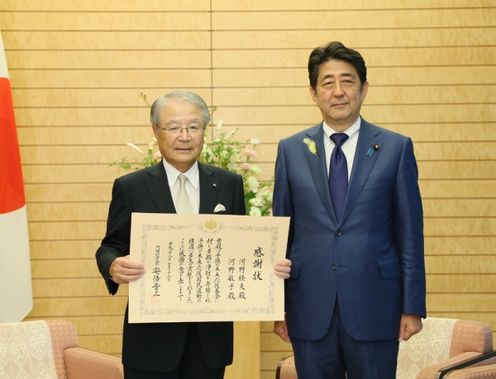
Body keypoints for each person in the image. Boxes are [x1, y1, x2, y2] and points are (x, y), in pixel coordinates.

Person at [96, 90, 288, 379]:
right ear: (155, 131)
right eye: (173, 127)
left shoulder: (228, 184)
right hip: (151, 342)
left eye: (193, 127)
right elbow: (110, 246)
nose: (184, 136)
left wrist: (268, 269)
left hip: (209, 341)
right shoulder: (131, 187)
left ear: (204, 131)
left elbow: (240, 249)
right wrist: (112, 265)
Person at [272, 41, 426, 378]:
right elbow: (281, 233)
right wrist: (277, 306)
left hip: (376, 306)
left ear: (364, 88)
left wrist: (412, 306)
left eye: (348, 81)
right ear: (313, 92)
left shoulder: (395, 148)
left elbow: (410, 233)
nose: (338, 91)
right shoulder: (291, 150)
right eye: (327, 83)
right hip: (309, 307)